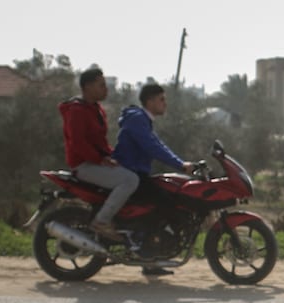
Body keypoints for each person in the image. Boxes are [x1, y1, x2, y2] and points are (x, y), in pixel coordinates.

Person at [112, 83, 195, 276]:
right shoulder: (138, 119)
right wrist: (180, 165)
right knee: (165, 202)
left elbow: (158, 144)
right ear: (150, 101)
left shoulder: (142, 120)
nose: (165, 103)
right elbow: (152, 147)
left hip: (136, 173)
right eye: (161, 99)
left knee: (165, 197)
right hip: (131, 173)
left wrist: (181, 163)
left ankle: (150, 256)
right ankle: (146, 251)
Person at [58, 67, 139, 243]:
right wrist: (101, 159)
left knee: (136, 173)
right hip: (84, 165)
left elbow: (99, 143)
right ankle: (101, 222)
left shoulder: (95, 109)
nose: (106, 89)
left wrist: (114, 156)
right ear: (87, 87)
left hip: (96, 162)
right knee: (130, 180)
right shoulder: (77, 110)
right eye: (101, 85)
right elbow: (77, 143)